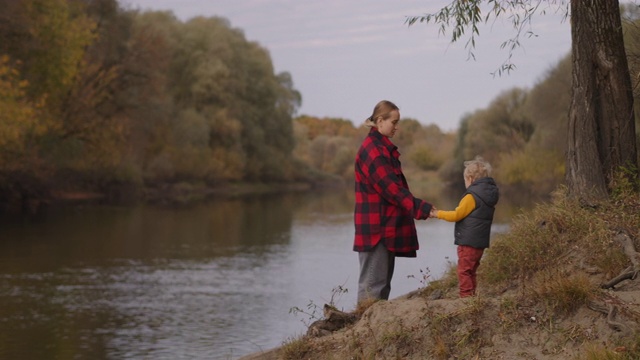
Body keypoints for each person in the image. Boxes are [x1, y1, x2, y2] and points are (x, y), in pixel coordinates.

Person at [353, 100, 434, 304]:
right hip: (376, 230)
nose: (396, 127)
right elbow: (392, 190)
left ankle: (370, 334)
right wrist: (421, 208)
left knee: (381, 288)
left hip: (385, 228)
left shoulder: (381, 148)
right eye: (394, 122)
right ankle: (363, 334)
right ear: (380, 121)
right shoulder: (372, 150)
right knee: (371, 290)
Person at [430, 156, 499, 298]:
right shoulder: (488, 195)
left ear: (471, 179)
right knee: (471, 271)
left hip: (468, 242)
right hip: (480, 243)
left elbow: (457, 215)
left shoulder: (472, 196)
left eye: (465, 180)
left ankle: (466, 298)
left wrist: (438, 214)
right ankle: (471, 296)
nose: (465, 183)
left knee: (463, 271)